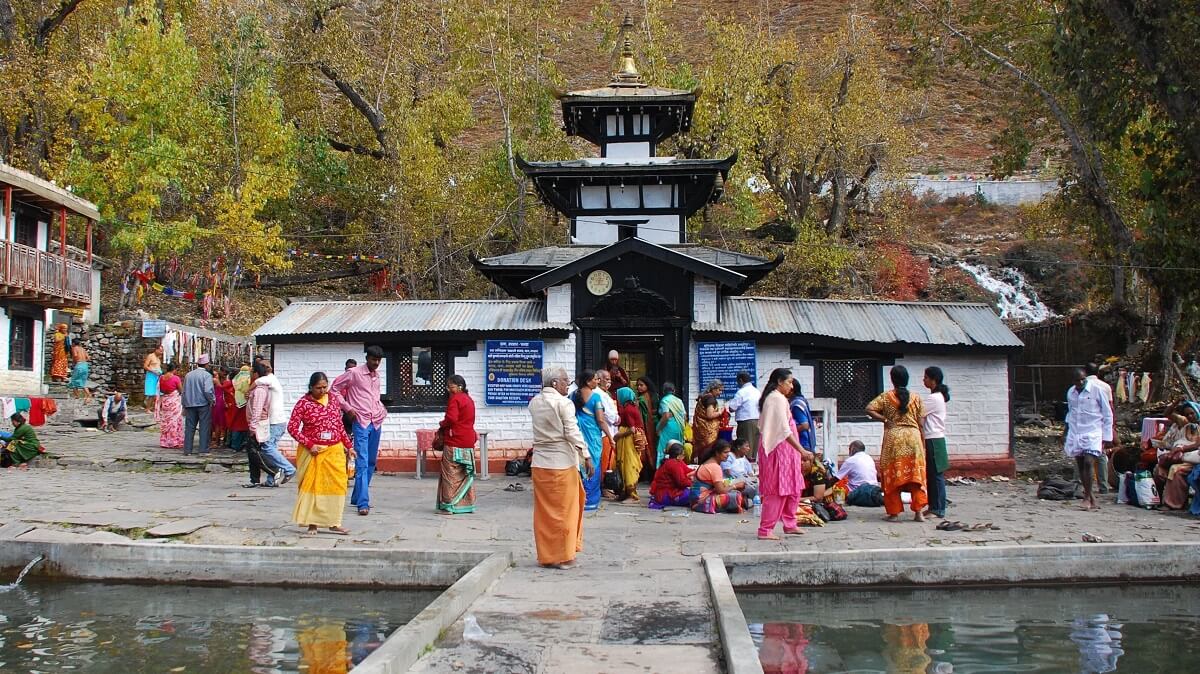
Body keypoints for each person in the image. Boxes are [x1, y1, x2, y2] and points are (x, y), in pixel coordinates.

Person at [528, 366, 592, 570]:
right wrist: (586, 454)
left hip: (540, 463)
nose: (568, 384)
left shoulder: (534, 402)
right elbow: (572, 432)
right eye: (565, 380)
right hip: (561, 463)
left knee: (545, 513)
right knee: (565, 511)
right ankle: (563, 556)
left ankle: (547, 555)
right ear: (554, 383)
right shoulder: (563, 403)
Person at [289, 372, 352, 536]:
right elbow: (292, 428)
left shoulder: (333, 400)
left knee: (337, 486)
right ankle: (313, 523)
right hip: (313, 452)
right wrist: (310, 444)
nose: (322, 391)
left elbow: (339, 425)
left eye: (325, 387)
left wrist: (349, 446)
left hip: (334, 450)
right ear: (311, 387)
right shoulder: (303, 403)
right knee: (314, 487)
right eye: (318, 388)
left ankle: (334, 522)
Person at [867, 365, 928, 522]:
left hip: (894, 439)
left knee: (892, 476)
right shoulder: (916, 398)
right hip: (913, 438)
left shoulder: (886, 397)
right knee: (916, 477)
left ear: (892, 380)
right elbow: (921, 422)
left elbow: (869, 408)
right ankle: (919, 512)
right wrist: (922, 441)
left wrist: (885, 419)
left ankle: (894, 513)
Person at [332, 345, 388, 517]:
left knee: (371, 461)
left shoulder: (377, 376)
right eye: (373, 359)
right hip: (361, 422)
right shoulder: (354, 373)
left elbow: (374, 397)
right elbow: (334, 389)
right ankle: (363, 503)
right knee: (362, 461)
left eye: (378, 360)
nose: (376, 363)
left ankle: (356, 496)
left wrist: (382, 410)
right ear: (367, 358)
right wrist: (347, 408)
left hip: (376, 421)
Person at [757, 368, 809, 539]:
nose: (791, 386)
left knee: (794, 488)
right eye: (789, 382)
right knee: (777, 490)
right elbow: (783, 431)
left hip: (788, 452)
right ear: (779, 381)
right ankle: (765, 529)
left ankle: (790, 523)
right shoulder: (775, 399)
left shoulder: (780, 399)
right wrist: (801, 450)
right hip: (778, 450)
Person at [1064, 366, 1113, 511]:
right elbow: (1071, 412)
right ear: (1073, 381)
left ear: (1086, 377)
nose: (1080, 382)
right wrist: (1066, 431)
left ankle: (1086, 496)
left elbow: (1107, 413)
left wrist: (1107, 436)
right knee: (1080, 464)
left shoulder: (1097, 389)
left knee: (1088, 462)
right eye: (1077, 380)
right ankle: (1091, 495)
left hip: (1093, 430)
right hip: (1076, 430)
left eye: (1082, 379)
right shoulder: (1071, 393)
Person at [437, 374, 478, 515]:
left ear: (459, 386)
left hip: (454, 441)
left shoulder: (455, 399)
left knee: (450, 475)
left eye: (451, 386)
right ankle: (467, 505)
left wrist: (442, 424)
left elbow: (451, 418)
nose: (449, 389)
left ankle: (449, 505)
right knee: (464, 474)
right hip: (468, 441)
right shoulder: (469, 400)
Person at [571, 369, 609, 511]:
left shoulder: (572, 396)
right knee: (593, 462)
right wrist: (610, 437)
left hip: (577, 435)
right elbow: (601, 420)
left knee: (579, 464)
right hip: (593, 437)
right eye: (595, 379)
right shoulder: (596, 398)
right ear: (588, 381)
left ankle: (579, 498)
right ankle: (590, 500)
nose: (598, 381)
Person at [251, 361, 295, 485]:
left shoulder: (270, 380)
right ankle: (271, 480)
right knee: (272, 449)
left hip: (275, 421)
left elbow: (257, 382)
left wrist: (248, 391)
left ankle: (289, 468)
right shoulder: (269, 382)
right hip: (276, 420)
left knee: (267, 447)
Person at [1153, 401, 1200, 510]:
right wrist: (1175, 403)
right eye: (1187, 414)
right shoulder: (1185, 423)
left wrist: (1181, 449)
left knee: (1176, 470)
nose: (1190, 416)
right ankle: (1156, 499)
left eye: (1192, 413)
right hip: (1182, 457)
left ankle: (1173, 504)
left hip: (1194, 459)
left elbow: (1197, 444)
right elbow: (1167, 414)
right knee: (1159, 469)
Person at [921, 366, 951, 519]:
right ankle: (934, 506)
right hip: (934, 438)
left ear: (933, 380)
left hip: (934, 438)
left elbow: (919, 412)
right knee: (932, 475)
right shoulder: (937, 396)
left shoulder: (934, 398)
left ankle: (938, 508)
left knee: (936, 475)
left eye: (926, 377)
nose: (923, 380)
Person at [691, 440, 749, 513]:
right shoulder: (715, 467)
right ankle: (741, 502)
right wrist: (736, 486)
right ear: (717, 453)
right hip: (700, 502)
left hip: (698, 499)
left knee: (735, 493)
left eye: (728, 452)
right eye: (725, 452)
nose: (728, 455)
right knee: (734, 497)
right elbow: (721, 491)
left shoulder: (710, 462)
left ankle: (743, 501)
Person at [1084, 362, 1116, 494]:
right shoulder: (1105, 387)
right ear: (1097, 373)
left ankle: (1079, 483)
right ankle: (1103, 486)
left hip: (1084, 423)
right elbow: (1110, 408)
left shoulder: (1079, 386)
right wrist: (1112, 426)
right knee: (1101, 454)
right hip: (1100, 424)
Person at [613, 386, 646, 501]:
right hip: (630, 440)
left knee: (628, 465)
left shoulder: (627, 409)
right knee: (627, 464)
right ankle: (626, 492)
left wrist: (618, 435)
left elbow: (632, 429)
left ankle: (632, 495)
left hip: (629, 440)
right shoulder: (632, 407)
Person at [182, 355, 216, 456]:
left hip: (189, 404)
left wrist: (183, 404)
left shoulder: (188, 375)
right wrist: (212, 400)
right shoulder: (207, 376)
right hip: (203, 404)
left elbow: (184, 391)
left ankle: (187, 450)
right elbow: (207, 390)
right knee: (204, 427)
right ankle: (203, 450)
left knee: (189, 427)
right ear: (206, 364)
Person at [727, 370, 761, 461]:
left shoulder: (741, 392)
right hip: (758, 420)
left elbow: (732, 408)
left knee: (744, 446)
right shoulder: (757, 391)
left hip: (746, 422)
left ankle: (745, 464)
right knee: (754, 445)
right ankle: (752, 463)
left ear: (741, 380)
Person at [595, 370, 620, 493]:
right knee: (605, 461)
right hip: (606, 432)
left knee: (609, 460)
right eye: (606, 379)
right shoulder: (598, 394)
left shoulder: (606, 393)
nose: (608, 381)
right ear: (598, 380)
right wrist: (616, 418)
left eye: (610, 379)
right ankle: (604, 487)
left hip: (610, 431)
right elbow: (606, 413)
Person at [649, 440, 693, 509]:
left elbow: (687, 470)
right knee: (694, 495)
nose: (684, 457)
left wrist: (697, 472)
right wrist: (693, 482)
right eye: (683, 455)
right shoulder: (673, 464)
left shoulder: (676, 461)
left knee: (692, 493)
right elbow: (681, 482)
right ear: (678, 456)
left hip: (668, 491)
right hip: (665, 494)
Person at [838, 440, 883, 507]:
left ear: (852, 449)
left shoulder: (851, 460)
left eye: (849, 449)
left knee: (838, 485)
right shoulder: (869, 458)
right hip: (874, 489)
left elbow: (837, 478)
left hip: (858, 492)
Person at [655, 382, 687, 466]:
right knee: (677, 448)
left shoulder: (665, 401)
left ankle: (663, 469)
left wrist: (658, 429)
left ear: (663, 391)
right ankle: (677, 468)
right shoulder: (679, 400)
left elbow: (666, 416)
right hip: (678, 428)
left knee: (665, 448)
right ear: (674, 391)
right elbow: (684, 416)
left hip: (668, 428)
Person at [636, 376, 660, 479]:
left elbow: (656, 411)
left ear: (647, 385)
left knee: (651, 447)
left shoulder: (653, 396)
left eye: (641, 385)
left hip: (652, 425)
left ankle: (651, 472)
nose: (639, 387)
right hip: (643, 425)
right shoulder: (639, 397)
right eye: (638, 385)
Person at [692, 381, 724, 458]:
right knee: (707, 451)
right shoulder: (710, 399)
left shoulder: (705, 397)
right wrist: (720, 412)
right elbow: (710, 415)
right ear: (713, 389)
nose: (720, 393)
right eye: (719, 390)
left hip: (700, 429)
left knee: (701, 451)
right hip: (707, 431)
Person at [156, 362, 184, 449]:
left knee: (166, 420)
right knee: (175, 421)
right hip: (174, 401)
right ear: (174, 369)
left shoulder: (161, 378)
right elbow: (181, 390)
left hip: (165, 400)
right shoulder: (176, 378)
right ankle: (174, 441)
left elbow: (161, 389)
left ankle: (165, 441)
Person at [227, 366, 250, 451]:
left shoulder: (235, 381)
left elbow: (225, 387)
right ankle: (244, 445)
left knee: (236, 426)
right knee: (245, 427)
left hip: (236, 406)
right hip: (246, 406)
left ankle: (235, 445)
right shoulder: (249, 381)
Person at [789, 383, 815, 453]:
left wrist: (789, 432)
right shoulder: (802, 400)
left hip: (802, 442)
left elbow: (804, 425)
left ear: (791, 391)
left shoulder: (796, 404)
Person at [211, 368, 228, 449]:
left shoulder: (215, 380)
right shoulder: (222, 381)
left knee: (216, 422)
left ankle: (216, 441)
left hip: (217, 401)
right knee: (220, 422)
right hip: (221, 401)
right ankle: (220, 440)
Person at [144, 345, 164, 411]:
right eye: (160, 351)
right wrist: (153, 371)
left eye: (162, 351)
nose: (161, 352)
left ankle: (152, 407)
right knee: (151, 393)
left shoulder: (158, 358)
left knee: (157, 392)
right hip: (151, 376)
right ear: (156, 349)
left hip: (157, 376)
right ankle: (147, 408)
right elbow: (145, 366)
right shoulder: (150, 356)